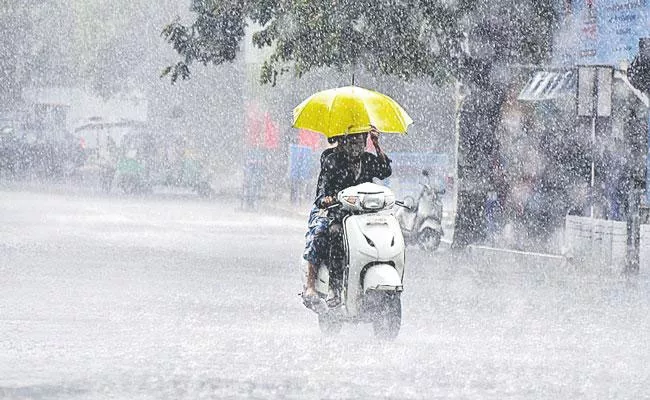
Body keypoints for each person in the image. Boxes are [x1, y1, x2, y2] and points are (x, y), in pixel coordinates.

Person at [302, 127, 391, 307]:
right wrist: (327, 199)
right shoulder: (332, 161)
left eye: (360, 140)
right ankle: (328, 287)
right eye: (352, 140)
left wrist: (377, 144)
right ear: (343, 141)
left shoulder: (368, 160)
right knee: (328, 233)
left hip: (364, 216)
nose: (356, 145)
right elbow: (321, 193)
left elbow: (385, 171)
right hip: (339, 214)